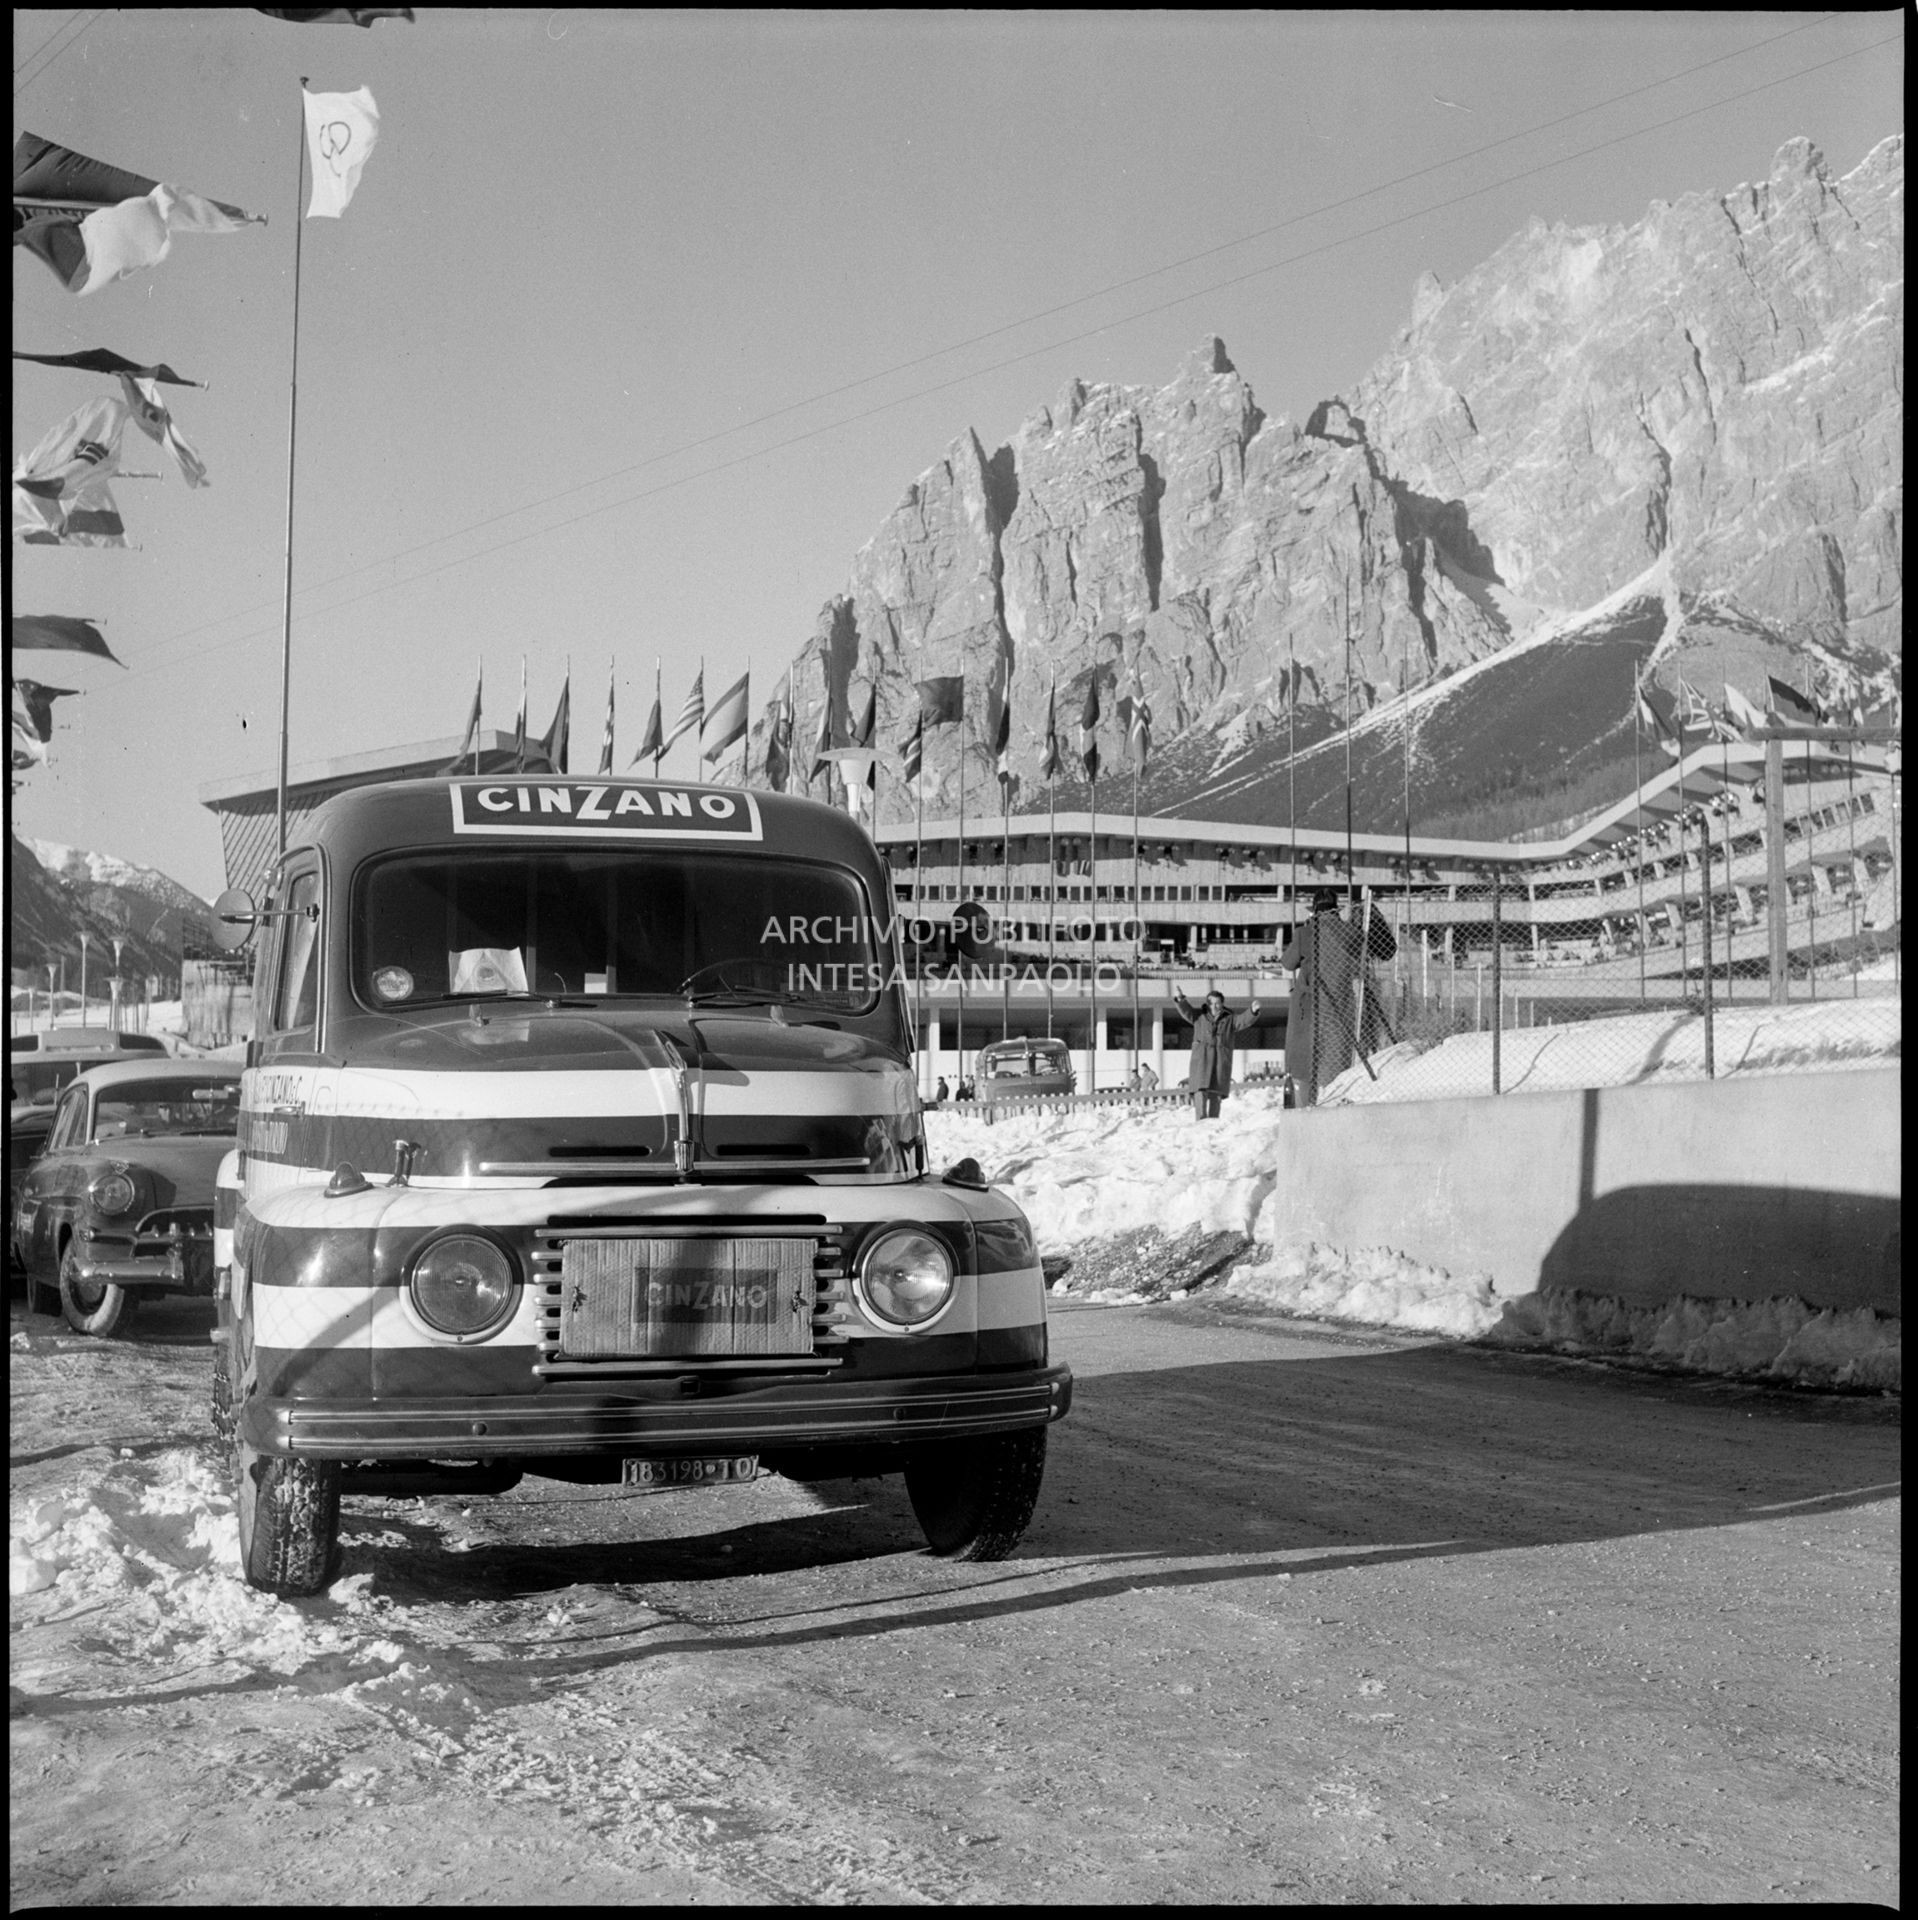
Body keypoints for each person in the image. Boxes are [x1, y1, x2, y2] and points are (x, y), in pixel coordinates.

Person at [1281, 889, 1397, 1106]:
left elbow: (1287, 963)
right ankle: (1331, 1102)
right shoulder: (1351, 933)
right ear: (1336, 907)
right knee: (1335, 1057)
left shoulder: (1304, 933)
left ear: (1314, 909)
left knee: (1304, 1062)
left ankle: (1303, 1105)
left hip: (1308, 1006)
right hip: (1340, 1004)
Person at [1172, 985, 1262, 1120]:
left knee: (1215, 1094)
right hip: (1201, 1061)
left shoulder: (1230, 1019)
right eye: (1211, 1003)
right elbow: (1186, 1011)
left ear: (1222, 1004)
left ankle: (1213, 1125)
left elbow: (1243, 1020)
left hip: (1219, 1062)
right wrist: (1180, 999)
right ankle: (1200, 1125)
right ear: (1207, 1004)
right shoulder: (1199, 1017)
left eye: (1217, 1003)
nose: (1214, 1006)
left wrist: (1253, 1011)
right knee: (1200, 1092)